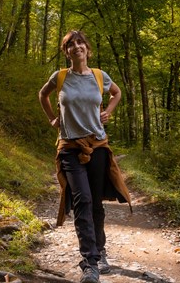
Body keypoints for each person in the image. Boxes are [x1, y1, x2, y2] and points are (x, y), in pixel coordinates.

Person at [38, 30, 132, 283]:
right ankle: (89, 264)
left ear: (87, 49)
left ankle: (100, 250)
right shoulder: (59, 77)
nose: (76, 47)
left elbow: (117, 93)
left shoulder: (100, 76)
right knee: (83, 200)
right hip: (70, 147)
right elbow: (42, 95)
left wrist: (109, 111)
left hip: (98, 146)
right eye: (71, 44)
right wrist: (52, 119)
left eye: (80, 43)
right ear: (66, 51)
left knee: (97, 203)